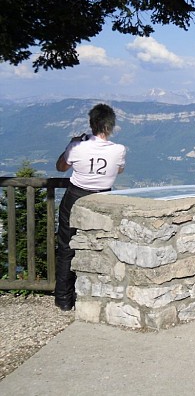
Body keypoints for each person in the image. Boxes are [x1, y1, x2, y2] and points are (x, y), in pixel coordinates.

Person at [55, 103, 126, 311]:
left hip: (75, 197)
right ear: (110, 126)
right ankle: (98, 297)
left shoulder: (78, 147)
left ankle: (64, 299)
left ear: (92, 124)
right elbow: (119, 170)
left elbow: (60, 167)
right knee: (102, 248)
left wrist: (72, 143)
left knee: (67, 247)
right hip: (103, 200)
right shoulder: (118, 150)